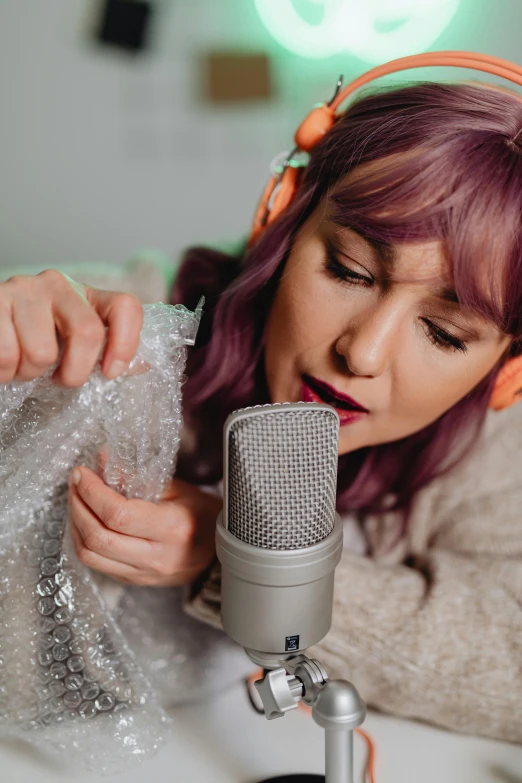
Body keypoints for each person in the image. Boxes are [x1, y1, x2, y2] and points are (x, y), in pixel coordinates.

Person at [2, 56, 522, 744]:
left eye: (446, 334)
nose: (362, 353)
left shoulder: (490, 447)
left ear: (508, 369)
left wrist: (240, 557)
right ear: (283, 223)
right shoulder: (120, 339)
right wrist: (31, 383)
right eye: (349, 269)